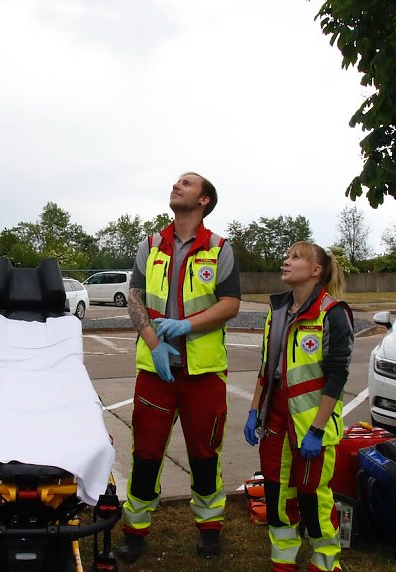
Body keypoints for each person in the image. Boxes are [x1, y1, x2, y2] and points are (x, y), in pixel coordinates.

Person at [117, 172, 241, 564]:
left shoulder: (219, 249)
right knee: (146, 453)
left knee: (205, 454)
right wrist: (154, 344)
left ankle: (209, 530)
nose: (176, 185)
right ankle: (135, 531)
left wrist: (188, 325)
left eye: (186, 183)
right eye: (176, 182)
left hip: (203, 374)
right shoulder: (150, 245)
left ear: (204, 200)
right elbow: (135, 298)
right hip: (156, 372)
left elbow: (231, 304)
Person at [243, 241, 354, 572]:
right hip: (275, 418)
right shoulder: (277, 311)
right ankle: (283, 562)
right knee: (277, 495)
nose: (285, 262)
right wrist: (253, 410)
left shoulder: (333, 313)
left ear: (316, 271)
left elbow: (337, 378)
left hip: (311, 425)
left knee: (313, 498)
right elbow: (267, 367)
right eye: (287, 255)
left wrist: (318, 429)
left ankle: (325, 562)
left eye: (295, 257)